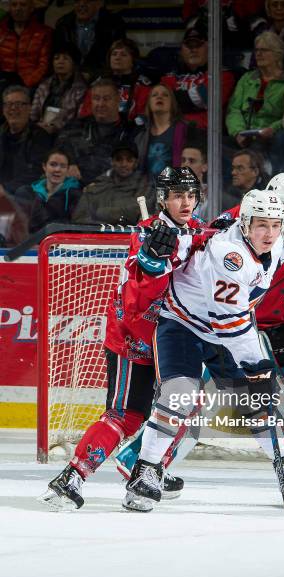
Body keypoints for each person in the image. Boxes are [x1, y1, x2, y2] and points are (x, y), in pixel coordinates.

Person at [116, 174, 284, 488]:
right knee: (182, 398)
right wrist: (153, 256)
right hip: (188, 326)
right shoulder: (231, 254)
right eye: (263, 224)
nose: (273, 231)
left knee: (259, 401)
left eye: (279, 222)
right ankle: (143, 465)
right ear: (246, 221)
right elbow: (231, 323)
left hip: (235, 327)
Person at [38, 166, 206, 510]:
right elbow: (136, 300)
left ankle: (146, 470)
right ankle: (72, 477)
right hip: (137, 338)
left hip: (177, 339)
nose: (186, 202)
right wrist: (153, 264)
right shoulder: (146, 235)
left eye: (190, 195)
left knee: (183, 407)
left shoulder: (200, 233)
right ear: (163, 199)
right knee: (125, 415)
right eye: (177, 195)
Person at [56, 79, 138, 185]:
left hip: (110, 190)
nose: (100, 104)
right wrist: (69, 163)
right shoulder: (75, 126)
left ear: (118, 100)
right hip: (72, 187)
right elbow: (57, 150)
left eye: (106, 99)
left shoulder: (131, 131)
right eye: (96, 98)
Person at [226, 30, 284, 150]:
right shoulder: (247, 79)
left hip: (272, 136)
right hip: (244, 136)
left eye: (264, 50)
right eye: (257, 50)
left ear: (278, 54)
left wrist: (273, 129)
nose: (258, 54)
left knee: (258, 147)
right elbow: (233, 110)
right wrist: (238, 132)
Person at [160, 24, 236, 129]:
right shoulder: (169, 77)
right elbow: (161, 103)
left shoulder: (222, 75)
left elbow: (205, 98)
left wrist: (173, 100)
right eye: (189, 45)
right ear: (181, 50)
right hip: (172, 132)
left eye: (198, 45)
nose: (193, 50)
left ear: (209, 48)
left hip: (206, 135)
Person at [72, 143, 156, 225]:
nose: (124, 164)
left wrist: (102, 213)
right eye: (119, 159)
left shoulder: (145, 185)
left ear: (136, 163)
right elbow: (79, 218)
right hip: (96, 236)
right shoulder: (97, 185)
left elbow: (143, 211)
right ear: (112, 162)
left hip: (130, 236)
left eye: (129, 160)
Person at [78, 38, 154, 123]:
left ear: (133, 60)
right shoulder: (98, 83)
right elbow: (85, 113)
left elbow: (143, 117)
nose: (117, 57)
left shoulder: (142, 84)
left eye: (123, 55)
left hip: (130, 132)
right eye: (114, 54)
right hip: (99, 130)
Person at [135, 83, 203, 178]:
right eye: (155, 95)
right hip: (146, 190)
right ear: (149, 104)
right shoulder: (140, 135)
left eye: (165, 95)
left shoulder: (186, 130)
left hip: (176, 189)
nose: (159, 97)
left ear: (172, 103)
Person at [53, 0, 127, 81]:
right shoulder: (63, 24)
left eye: (87, 1)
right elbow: (59, 57)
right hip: (71, 80)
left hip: (104, 79)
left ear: (99, 3)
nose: (81, 5)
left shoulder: (114, 23)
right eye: (77, 1)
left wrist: (93, 74)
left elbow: (117, 60)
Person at [0, 85, 54, 194]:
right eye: (9, 104)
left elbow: (37, 172)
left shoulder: (40, 137)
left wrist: (6, 188)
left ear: (29, 108)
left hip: (23, 195)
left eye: (19, 104)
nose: (13, 108)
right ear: (3, 109)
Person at [14, 149, 82, 233]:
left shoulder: (75, 195)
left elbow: (74, 227)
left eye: (63, 166)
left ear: (67, 170)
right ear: (44, 166)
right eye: (53, 164)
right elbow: (19, 225)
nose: (57, 169)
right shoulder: (28, 193)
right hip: (30, 243)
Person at [30, 43, 88, 134]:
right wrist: (36, 126)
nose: (60, 61)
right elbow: (33, 113)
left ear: (74, 63)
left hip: (66, 133)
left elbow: (78, 120)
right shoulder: (44, 85)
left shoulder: (81, 88)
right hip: (40, 129)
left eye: (65, 58)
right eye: (56, 58)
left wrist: (55, 127)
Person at [0, 0, 52, 89]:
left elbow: (44, 65)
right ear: (10, 8)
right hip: (3, 81)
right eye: (14, 5)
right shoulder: (1, 31)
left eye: (23, 5)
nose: (18, 8)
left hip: (31, 84)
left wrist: (25, 84)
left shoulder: (44, 32)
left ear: (31, 8)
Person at [181, 141, 208, 220]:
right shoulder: (169, 194)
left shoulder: (212, 196)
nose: (185, 164)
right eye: (183, 160)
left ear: (204, 166)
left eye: (191, 161)